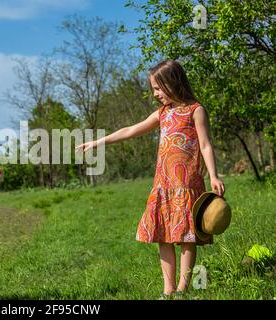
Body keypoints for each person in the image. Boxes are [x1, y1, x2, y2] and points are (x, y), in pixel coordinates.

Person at [75, 59, 225, 298]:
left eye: (158, 88)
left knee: (187, 237)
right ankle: (168, 291)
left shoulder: (196, 110)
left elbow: (206, 145)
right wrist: (98, 142)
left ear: (173, 83)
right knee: (163, 235)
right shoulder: (163, 114)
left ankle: (183, 288)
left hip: (187, 184)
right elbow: (131, 130)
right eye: (153, 89)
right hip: (163, 185)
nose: (155, 94)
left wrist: (214, 175)